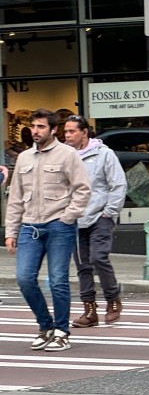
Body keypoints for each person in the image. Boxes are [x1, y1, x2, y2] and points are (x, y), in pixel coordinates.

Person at [5, 108, 91, 352]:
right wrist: (11, 231)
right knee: (24, 278)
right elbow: (15, 198)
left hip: (58, 226)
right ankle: (45, 326)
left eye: (41, 126)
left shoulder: (67, 155)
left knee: (58, 281)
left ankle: (62, 331)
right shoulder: (24, 158)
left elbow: (82, 189)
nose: (35, 131)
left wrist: (68, 217)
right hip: (30, 226)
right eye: (33, 126)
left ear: (53, 130)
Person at [64, 114, 127, 327]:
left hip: (100, 215)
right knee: (82, 265)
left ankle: (113, 299)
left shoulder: (103, 154)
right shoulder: (64, 155)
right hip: (74, 217)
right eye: (65, 131)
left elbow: (118, 184)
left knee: (98, 257)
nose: (68, 135)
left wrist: (109, 211)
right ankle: (89, 311)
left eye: (72, 131)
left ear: (84, 132)